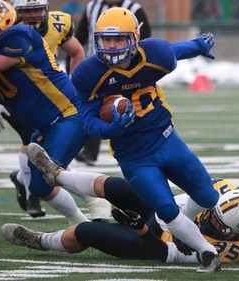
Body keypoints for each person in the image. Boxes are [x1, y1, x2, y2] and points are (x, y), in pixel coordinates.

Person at [70, 7, 221, 272]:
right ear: (98, 40)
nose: (113, 45)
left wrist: (198, 45)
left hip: (166, 139)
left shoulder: (154, 54)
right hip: (134, 157)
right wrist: (113, 128)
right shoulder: (87, 73)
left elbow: (174, 51)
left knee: (208, 197)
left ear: (135, 39)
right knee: (165, 208)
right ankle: (208, 253)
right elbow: (88, 122)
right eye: (107, 39)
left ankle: (181, 228)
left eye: (119, 39)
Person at [0, 0, 112, 219]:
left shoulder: (18, 35)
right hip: (46, 124)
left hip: (68, 115)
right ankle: (80, 223)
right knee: (39, 186)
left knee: (51, 173)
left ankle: (101, 194)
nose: (34, 15)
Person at [1, 178, 239, 267]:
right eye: (214, 214)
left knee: (88, 231)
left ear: (233, 232)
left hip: (152, 242)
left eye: (219, 225)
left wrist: (141, 228)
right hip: (165, 212)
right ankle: (57, 174)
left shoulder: (231, 250)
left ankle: (39, 241)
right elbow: (183, 194)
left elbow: (161, 252)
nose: (211, 221)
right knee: (119, 186)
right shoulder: (220, 190)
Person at [70, 0, 152, 166]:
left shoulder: (133, 8)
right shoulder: (92, 7)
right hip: (99, 68)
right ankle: (89, 152)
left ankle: (132, 147)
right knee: (94, 109)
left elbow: (145, 38)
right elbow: (80, 38)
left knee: (129, 107)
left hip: (128, 69)